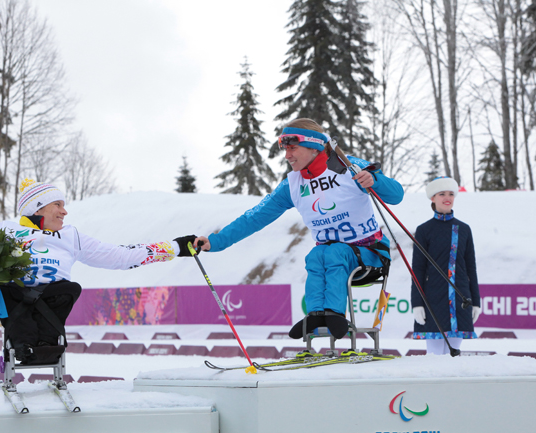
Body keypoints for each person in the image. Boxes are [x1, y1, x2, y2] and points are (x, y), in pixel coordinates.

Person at [194, 118, 404, 340]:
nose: (287, 156)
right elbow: (254, 218)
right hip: (329, 256)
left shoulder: (348, 166)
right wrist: (215, 241)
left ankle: (334, 315)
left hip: (371, 255)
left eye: (293, 148)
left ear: (314, 147)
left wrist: (374, 180)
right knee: (316, 254)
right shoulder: (293, 184)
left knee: (333, 252)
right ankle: (315, 316)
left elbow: (396, 195)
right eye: (285, 149)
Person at [0, 178, 197, 364]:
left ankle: (45, 347)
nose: (64, 211)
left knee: (69, 288)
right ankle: (19, 347)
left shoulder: (70, 236)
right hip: (13, 303)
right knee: (4, 290)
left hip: (52, 303)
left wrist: (176, 247)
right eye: (57, 204)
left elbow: (121, 256)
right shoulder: (6, 231)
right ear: (37, 208)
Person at [411, 176, 481, 355]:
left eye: (451, 193)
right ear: (433, 198)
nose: (447, 197)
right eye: (441, 193)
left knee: (454, 353)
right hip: (433, 298)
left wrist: (476, 302)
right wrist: (417, 303)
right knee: (434, 355)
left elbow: (471, 268)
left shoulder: (464, 229)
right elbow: (418, 269)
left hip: (460, 299)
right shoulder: (424, 230)